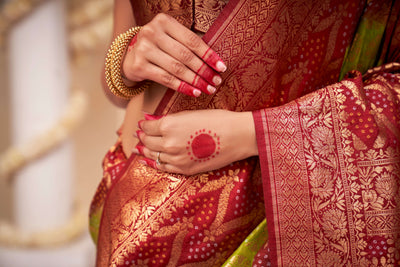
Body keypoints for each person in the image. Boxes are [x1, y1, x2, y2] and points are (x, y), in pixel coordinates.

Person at [90, 0, 400, 266]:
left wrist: (251, 133)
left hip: (271, 226)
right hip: (125, 204)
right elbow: (118, 87)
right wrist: (127, 62)